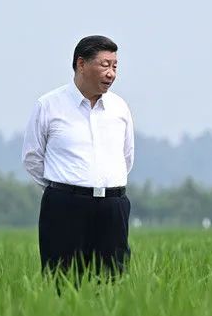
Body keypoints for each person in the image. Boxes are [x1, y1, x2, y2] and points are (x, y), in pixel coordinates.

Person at [22, 35, 135, 279]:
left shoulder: (119, 108)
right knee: (62, 281)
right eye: (105, 65)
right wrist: (64, 188)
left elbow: (126, 157)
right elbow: (32, 158)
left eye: (115, 66)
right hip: (65, 207)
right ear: (81, 64)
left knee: (112, 282)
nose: (111, 73)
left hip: (113, 207)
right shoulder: (49, 105)